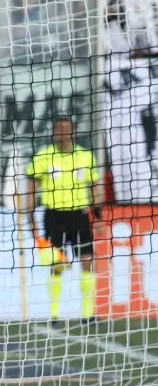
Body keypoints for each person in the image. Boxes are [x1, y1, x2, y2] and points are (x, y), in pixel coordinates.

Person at [25, 116, 103, 327]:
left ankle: (88, 314)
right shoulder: (43, 156)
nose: (62, 133)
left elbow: (95, 187)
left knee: (87, 260)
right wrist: (30, 218)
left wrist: (98, 218)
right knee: (57, 265)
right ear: (53, 133)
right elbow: (31, 189)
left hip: (79, 215)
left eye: (66, 129)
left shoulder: (85, 157)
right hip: (53, 216)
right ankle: (55, 315)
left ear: (73, 132)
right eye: (59, 129)